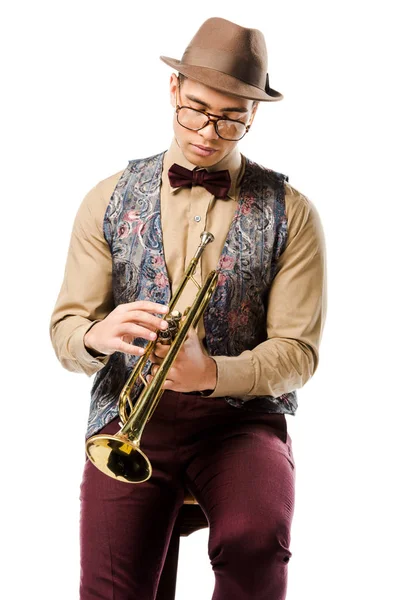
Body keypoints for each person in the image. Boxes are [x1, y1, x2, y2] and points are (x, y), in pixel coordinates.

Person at [49, 16, 327, 600]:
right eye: (197, 108)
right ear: (173, 90)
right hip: (131, 421)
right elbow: (66, 329)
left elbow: (298, 353)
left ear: (255, 115)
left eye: (231, 118)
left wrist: (214, 374)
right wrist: (100, 334)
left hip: (241, 422)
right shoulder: (107, 198)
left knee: (257, 538)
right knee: (112, 589)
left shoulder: (292, 212)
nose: (208, 131)